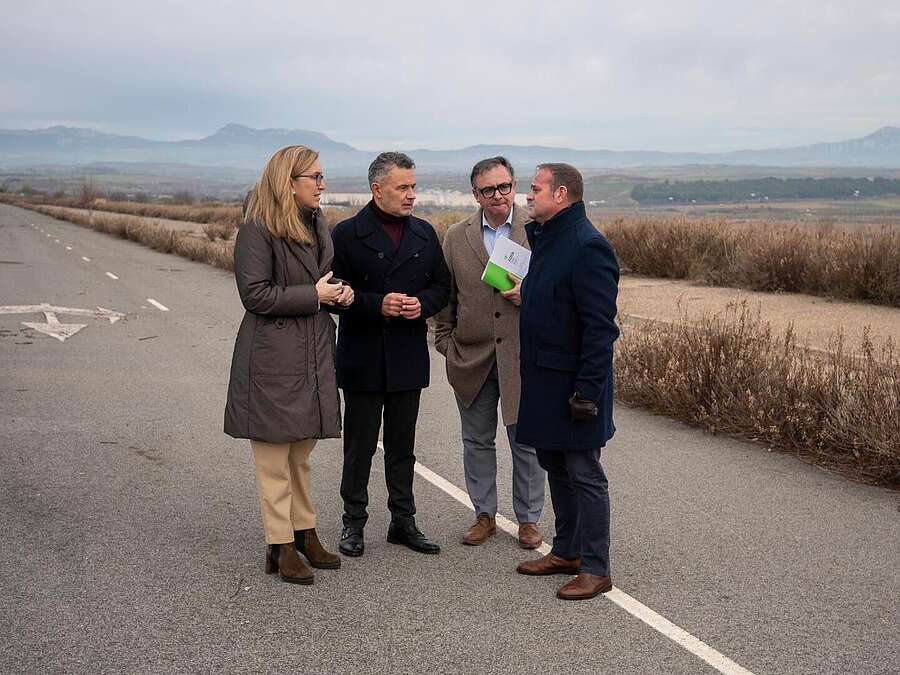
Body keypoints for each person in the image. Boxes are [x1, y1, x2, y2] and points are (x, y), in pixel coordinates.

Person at [224, 145, 354, 585]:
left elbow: (317, 280)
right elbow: (254, 294)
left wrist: (339, 292)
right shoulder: (257, 229)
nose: (322, 184)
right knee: (274, 457)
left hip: (311, 350)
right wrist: (315, 296)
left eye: (321, 176)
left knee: (301, 451)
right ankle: (279, 544)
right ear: (288, 181)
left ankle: (305, 532)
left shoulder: (317, 224)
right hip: (272, 357)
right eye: (314, 177)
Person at [330, 151, 451, 557]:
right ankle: (354, 523)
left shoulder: (424, 233)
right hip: (363, 354)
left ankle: (403, 522)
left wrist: (423, 305)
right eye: (403, 187)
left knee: (403, 447)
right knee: (359, 446)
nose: (412, 195)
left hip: (406, 355)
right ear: (377, 188)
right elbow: (333, 292)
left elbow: (441, 286)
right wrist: (375, 303)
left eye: (414, 186)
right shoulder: (347, 234)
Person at [515, 163, 620, 600]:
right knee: (555, 465)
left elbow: (600, 329)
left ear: (561, 194)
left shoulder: (587, 245)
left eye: (535, 189)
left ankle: (596, 567)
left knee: (584, 471)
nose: (527, 196)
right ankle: (567, 551)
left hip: (574, 386)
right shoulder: (547, 238)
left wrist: (587, 392)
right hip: (544, 380)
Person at [434, 157, 545, 549]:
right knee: (476, 441)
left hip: (522, 356)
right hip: (471, 357)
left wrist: (527, 296)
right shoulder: (455, 237)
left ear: (514, 186)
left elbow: (559, 293)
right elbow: (445, 300)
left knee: (526, 442)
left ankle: (529, 520)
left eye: (504, 187)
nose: (497, 195)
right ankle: (484, 515)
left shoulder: (538, 231)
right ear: (475, 194)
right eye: (488, 190)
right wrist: (446, 345)